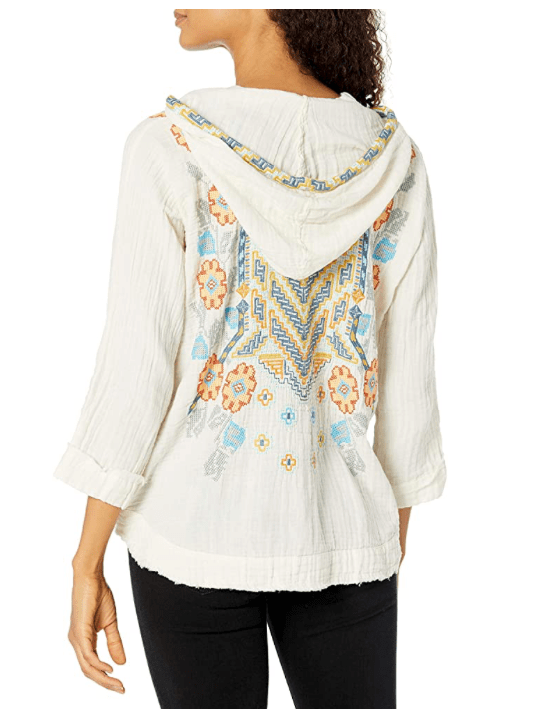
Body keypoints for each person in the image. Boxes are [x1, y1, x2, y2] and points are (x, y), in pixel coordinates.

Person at [54, 9, 447, 709]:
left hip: (188, 536)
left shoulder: (170, 147)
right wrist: (381, 551)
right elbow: (409, 389)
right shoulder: (397, 163)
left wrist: (87, 560)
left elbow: (136, 371)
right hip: (348, 541)